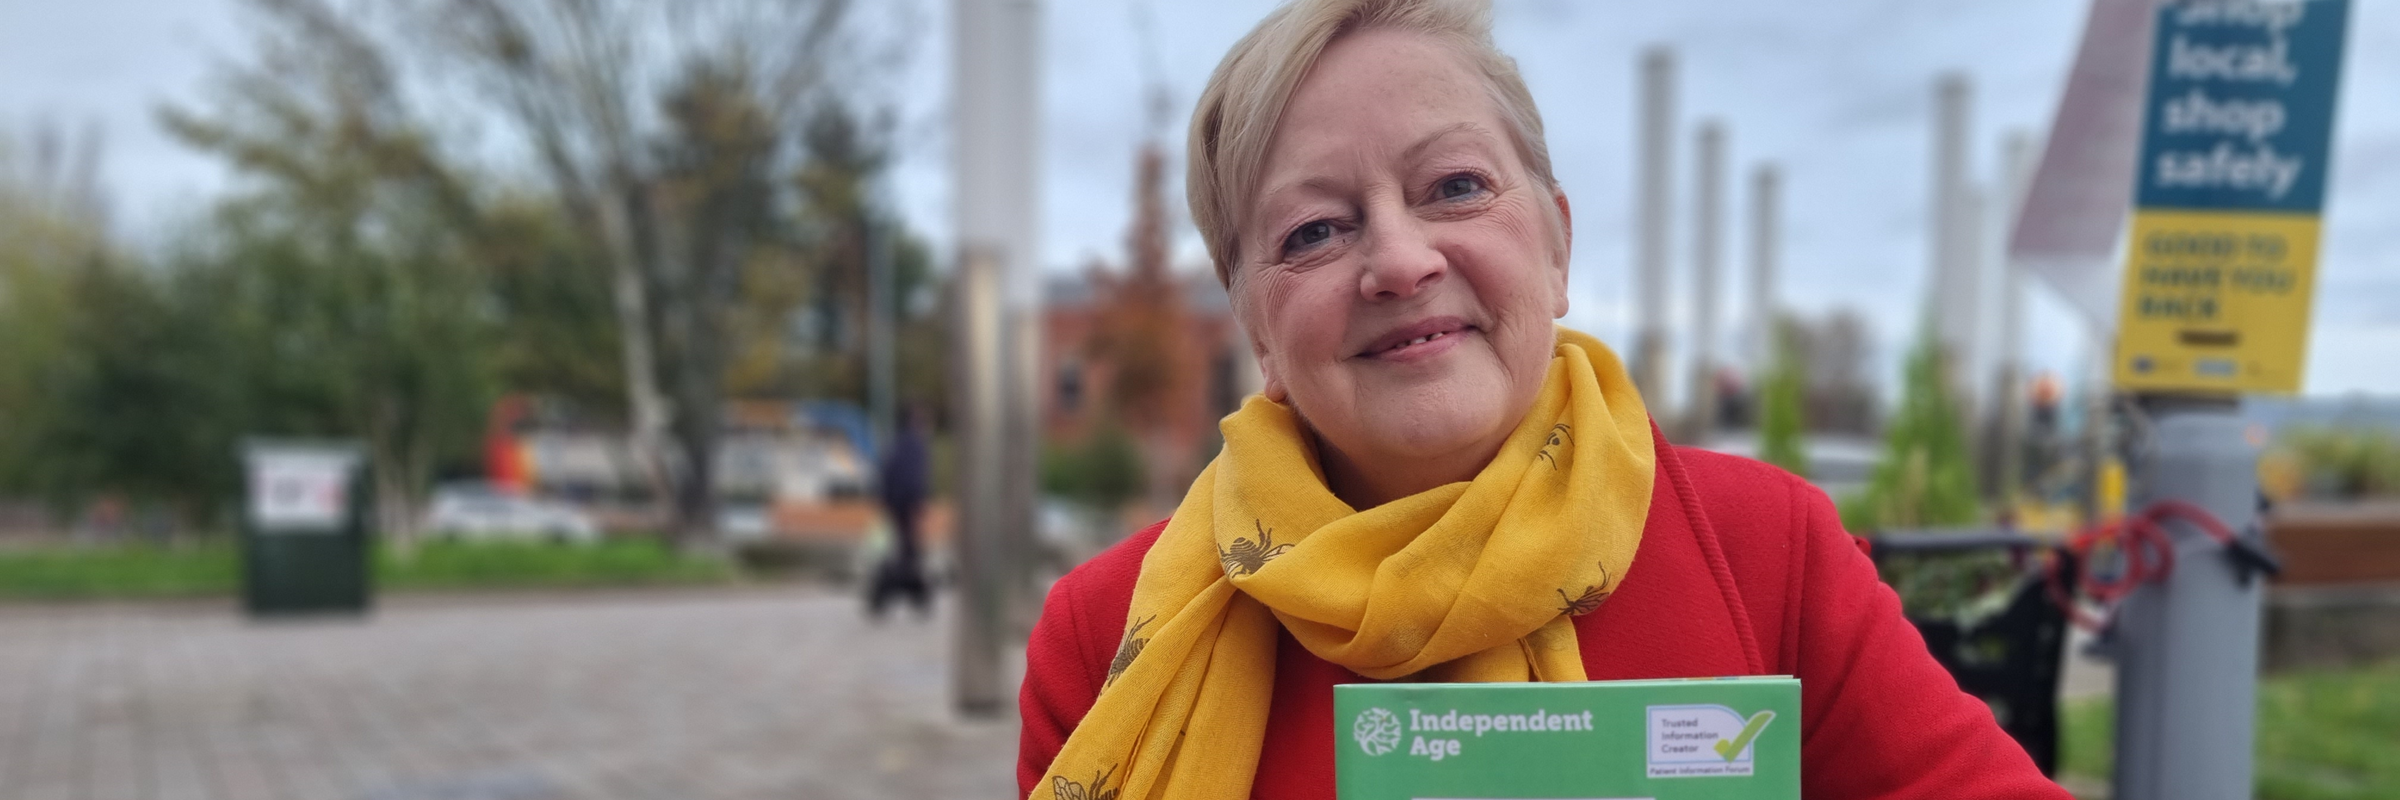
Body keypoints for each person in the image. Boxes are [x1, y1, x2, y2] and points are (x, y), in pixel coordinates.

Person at [1017, 1, 2072, 798]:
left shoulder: (1768, 556)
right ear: (1257, 331)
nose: (1398, 257)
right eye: (1314, 232)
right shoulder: (1104, 633)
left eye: (1455, 186)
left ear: (1557, 244)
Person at [868, 407, 932, 618]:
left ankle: (896, 594)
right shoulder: (914, 445)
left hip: (895, 504)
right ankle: (910, 594)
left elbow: (887, 473)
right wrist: (918, 501)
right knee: (909, 552)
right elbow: (913, 477)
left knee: (904, 550)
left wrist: (886, 500)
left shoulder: (896, 443)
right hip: (906, 504)